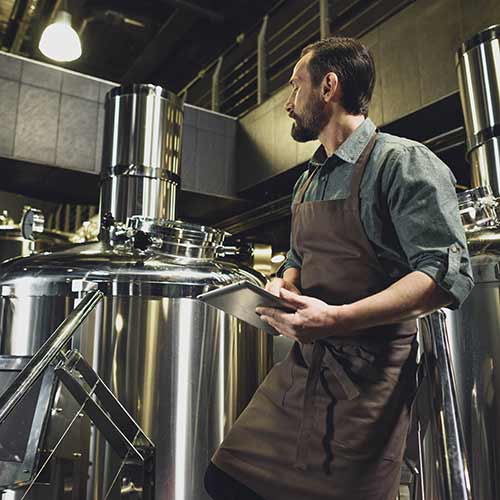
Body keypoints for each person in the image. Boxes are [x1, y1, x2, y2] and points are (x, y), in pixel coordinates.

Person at [204, 36, 474, 500]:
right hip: (303, 368)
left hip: (368, 385)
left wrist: (336, 318)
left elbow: (443, 276)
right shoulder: (310, 178)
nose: (288, 103)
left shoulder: (402, 162)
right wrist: (281, 285)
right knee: (226, 480)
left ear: (329, 86)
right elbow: (297, 258)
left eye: (295, 87)